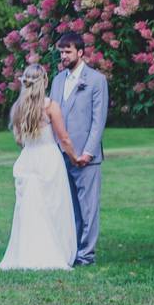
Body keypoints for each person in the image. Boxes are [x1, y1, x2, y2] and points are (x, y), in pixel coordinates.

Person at [0, 64, 79, 270]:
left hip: (28, 159)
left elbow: (19, 140)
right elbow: (64, 138)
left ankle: (26, 253)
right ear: (45, 81)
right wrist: (75, 158)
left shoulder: (17, 108)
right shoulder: (50, 106)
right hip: (48, 159)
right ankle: (53, 252)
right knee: (53, 208)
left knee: (28, 209)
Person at [50, 33, 109, 266]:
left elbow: (98, 120)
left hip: (86, 157)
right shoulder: (57, 81)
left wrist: (88, 153)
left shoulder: (96, 80)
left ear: (81, 52)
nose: (63, 56)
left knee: (88, 208)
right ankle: (70, 251)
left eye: (68, 52)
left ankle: (86, 255)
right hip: (60, 155)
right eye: (61, 52)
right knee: (68, 207)